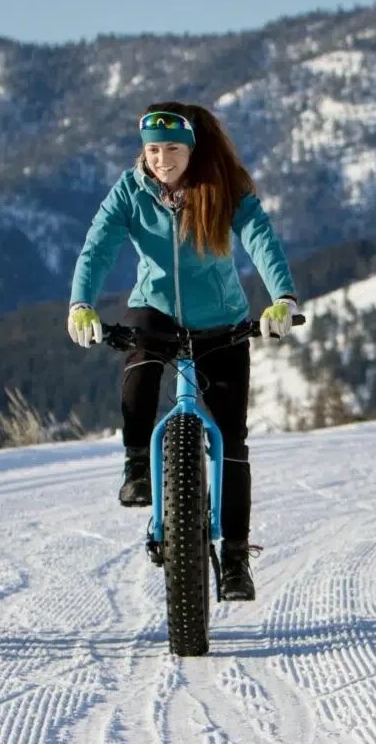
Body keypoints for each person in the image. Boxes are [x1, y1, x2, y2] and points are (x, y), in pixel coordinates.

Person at [66, 102, 298, 601]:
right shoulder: (131, 191)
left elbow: (260, 238)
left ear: (192, 150)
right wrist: (80, 303)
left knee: (232, 441)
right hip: (156, 310)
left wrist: (283, 298)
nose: (162, 160)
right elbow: (98, 246)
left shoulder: (224, 188)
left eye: (172, 149)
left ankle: (235, 560)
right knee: (141, 359)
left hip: (222, 321)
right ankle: (135, 465)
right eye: (153, 150)